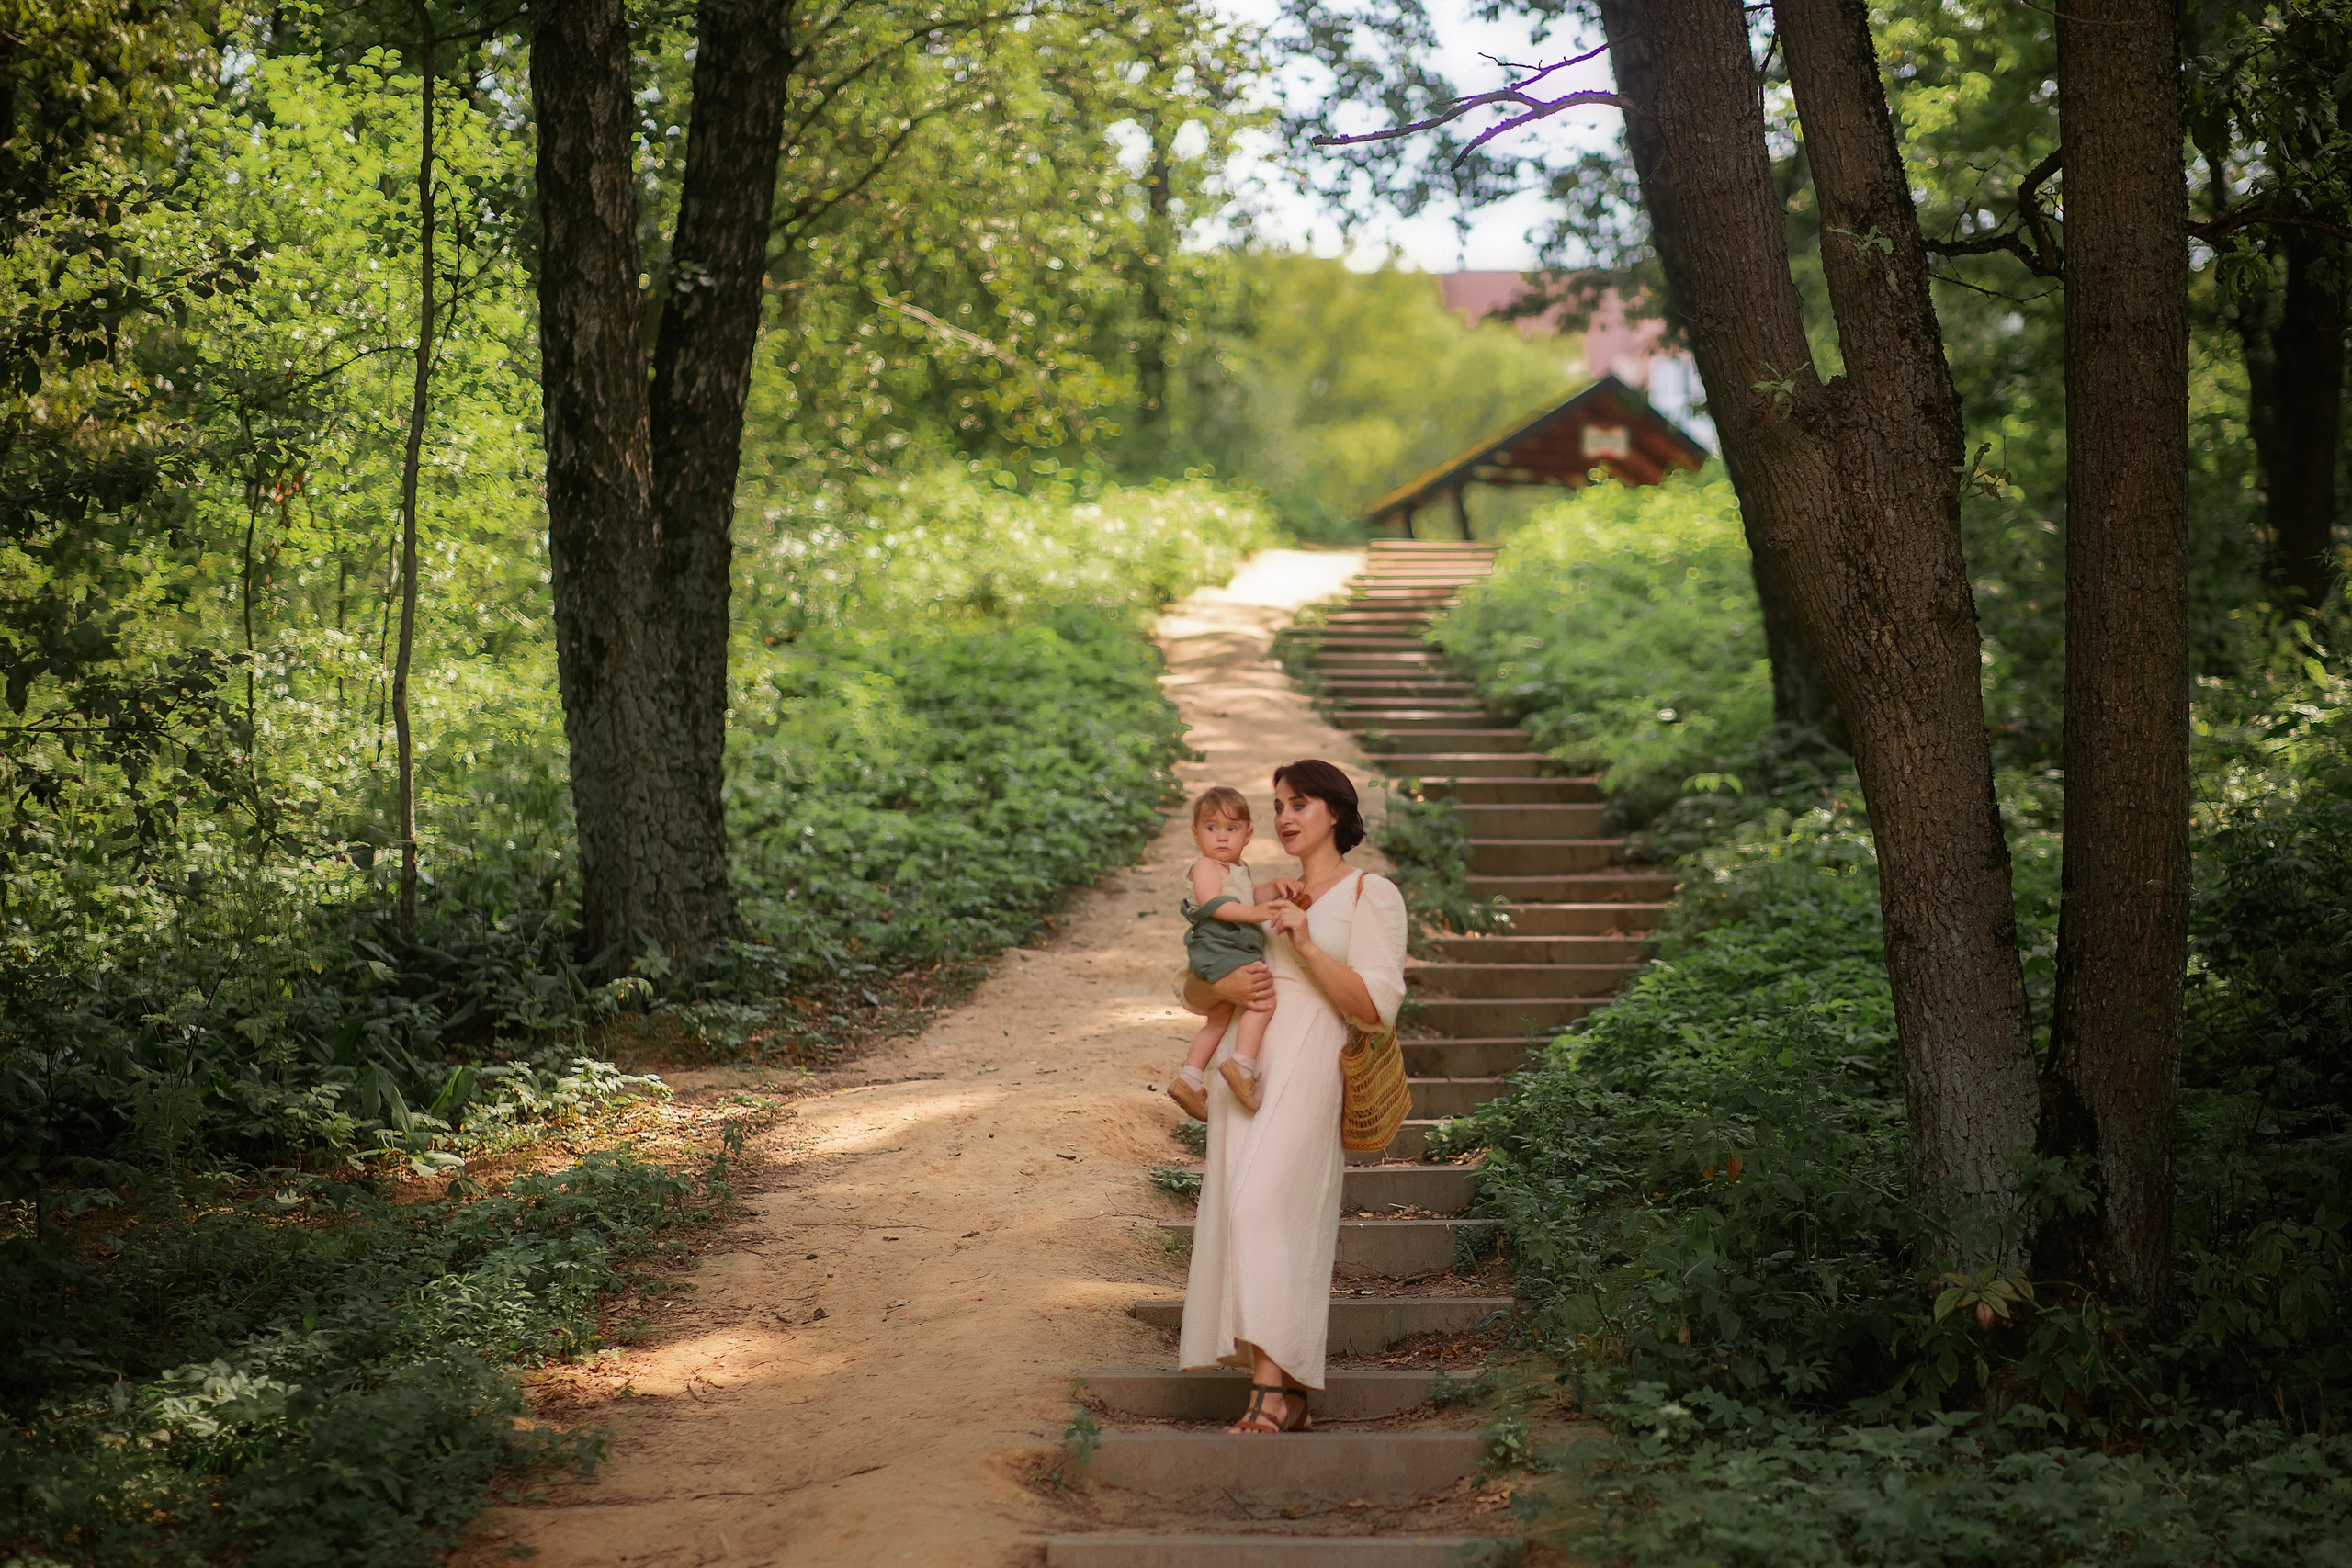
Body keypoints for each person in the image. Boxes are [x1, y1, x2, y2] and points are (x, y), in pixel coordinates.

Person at [1173, 759, 1407, 1435]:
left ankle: (1269, 1394)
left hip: (1310, 1068)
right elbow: (1196, 984)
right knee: (1237, 1217)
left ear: (1335, 811)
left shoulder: (1371, 895)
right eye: (1276, 805)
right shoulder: (1256, 891)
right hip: (1244, 1071)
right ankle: (1282, 1391)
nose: (1282, 816)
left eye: (1298, 803)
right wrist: (1227, 990)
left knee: (1261, 1211)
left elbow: (1373, 1007)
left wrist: (1304, 944)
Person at [1166, 787, 1293, 1121]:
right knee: (1262, 998)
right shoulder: (1205, 866)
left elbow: (1249, 896)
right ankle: (1242, 1066)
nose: (1221, 837)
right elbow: (1215, 904)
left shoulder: (1238, 869)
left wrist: (1275, 886)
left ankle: (1190, 1078)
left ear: (1248, 835)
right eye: (1211, 828)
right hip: (1219, 943)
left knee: (1220, 1017)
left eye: (1232, 829)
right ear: (1196, 834)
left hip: (1227, 945)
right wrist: (1258, 913)